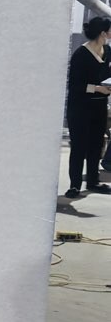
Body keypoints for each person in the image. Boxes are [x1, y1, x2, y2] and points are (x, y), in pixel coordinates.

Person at [66, 16, 111, 197]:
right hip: (80, 107)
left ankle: (93, 181)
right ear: (103, 33)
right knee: (79, 146)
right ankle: (74, 185)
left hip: (99, 106)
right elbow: (74, 85)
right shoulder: (81, 55)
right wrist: (97, 88)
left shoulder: (107, 51)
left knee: (96, 145)